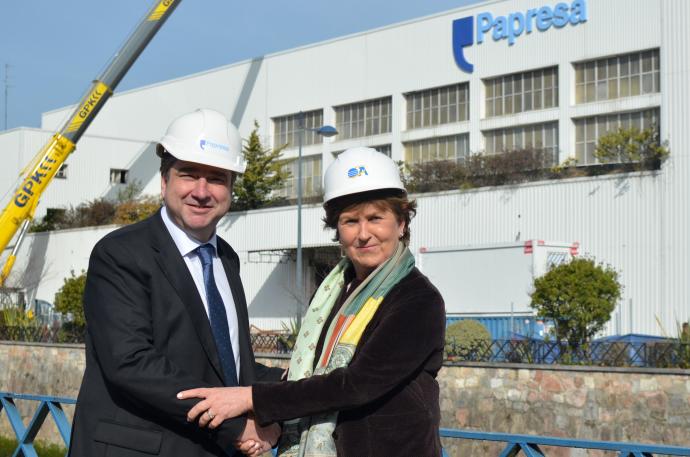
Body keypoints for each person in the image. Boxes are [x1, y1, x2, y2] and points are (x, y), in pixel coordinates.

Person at [179, 147, 446, 457]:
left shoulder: (417, 300)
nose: (363, 234)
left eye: (376, 218)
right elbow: (312, 374)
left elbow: (355, 385)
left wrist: (252, 399)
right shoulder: (335, 291)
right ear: (336, 230)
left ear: (401, 223)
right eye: (350, 221)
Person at [69, 108, 282, 457]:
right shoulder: (120, 254)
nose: (201, 191)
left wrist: (295, 384)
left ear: (231, 188)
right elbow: (133, 363)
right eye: (189, 174)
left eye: (216, 178)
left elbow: (228, 366)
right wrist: (236, 425)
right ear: (165, 181)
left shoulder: (226, 259)